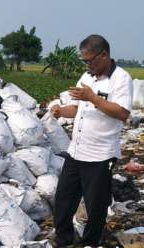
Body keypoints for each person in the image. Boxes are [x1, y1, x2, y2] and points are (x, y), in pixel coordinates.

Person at [51, 34, 133, 247]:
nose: (87, 65)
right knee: (63, 199)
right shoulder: (86, 78)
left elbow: (122, 113)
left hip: (100, 154)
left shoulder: (121, 78)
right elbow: (77, 109)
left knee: (95, 205)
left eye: (90, 60)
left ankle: (90, 242)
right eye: (84, 61)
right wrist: (61, 111)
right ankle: (64, 238)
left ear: (104, 55)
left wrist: (93, 98)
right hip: (76, 151)